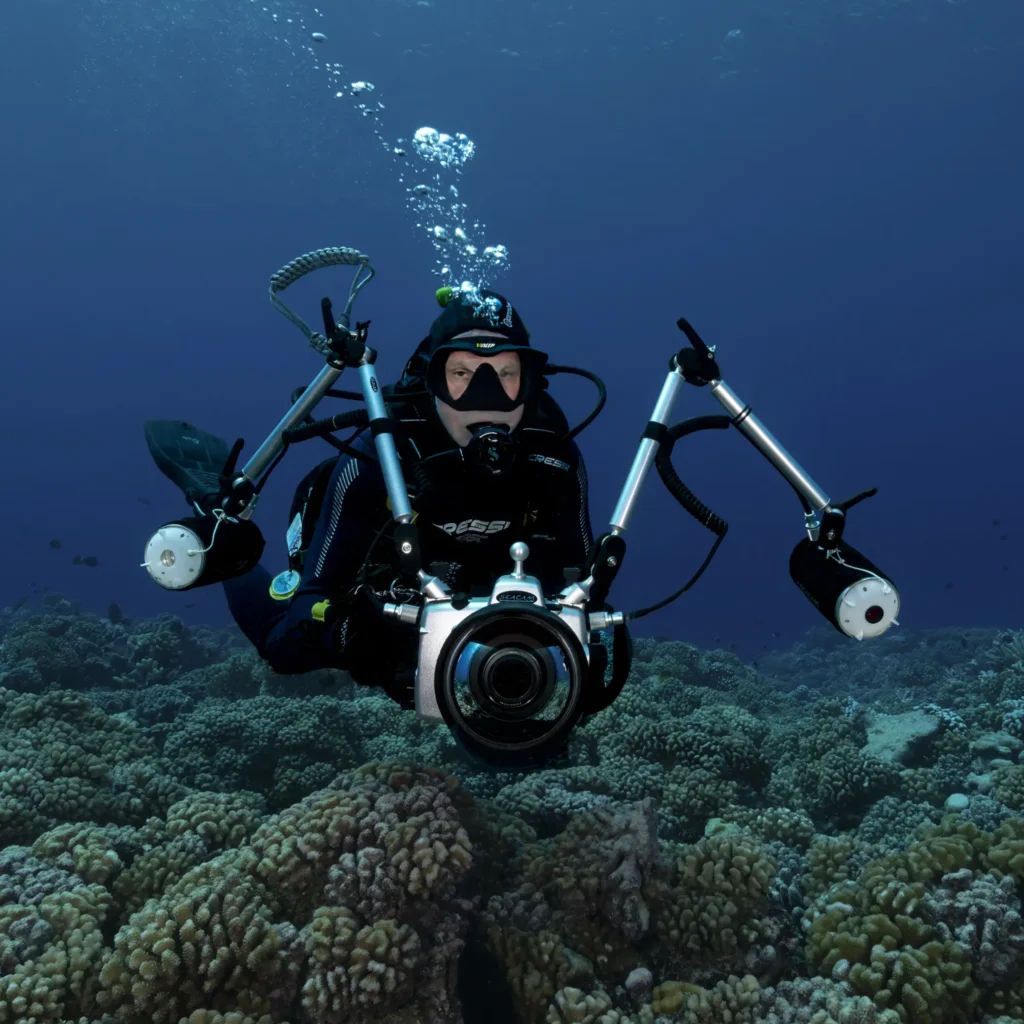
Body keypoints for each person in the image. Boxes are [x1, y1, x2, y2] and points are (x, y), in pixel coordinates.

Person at [223, 289, 595, 708]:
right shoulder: (384, 448)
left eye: (506, 373)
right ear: (433, 381)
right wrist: (355, 634)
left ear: (528, 383)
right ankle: (229, 550)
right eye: (462, 373)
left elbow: (584, 582)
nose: (485, 395)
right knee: (286, 651)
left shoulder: (554, 454)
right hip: (386, 570)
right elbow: (317, 593)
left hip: (490, 577)